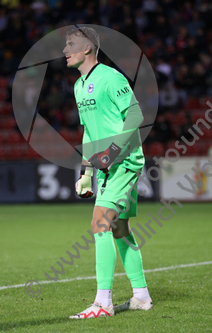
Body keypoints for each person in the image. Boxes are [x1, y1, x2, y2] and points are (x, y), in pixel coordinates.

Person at [62, 27, 152, 319]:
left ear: (88, 48)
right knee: (120, 229)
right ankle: (141, 297)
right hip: (106, 165)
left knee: (100, 222)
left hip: (124, 162)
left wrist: (112, 153)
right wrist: (86, 171)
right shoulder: (78, 86)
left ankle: (103, 303)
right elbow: (89, 131)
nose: (65, 51)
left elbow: (136, 114)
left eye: (71, 45)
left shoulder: (111, 77)